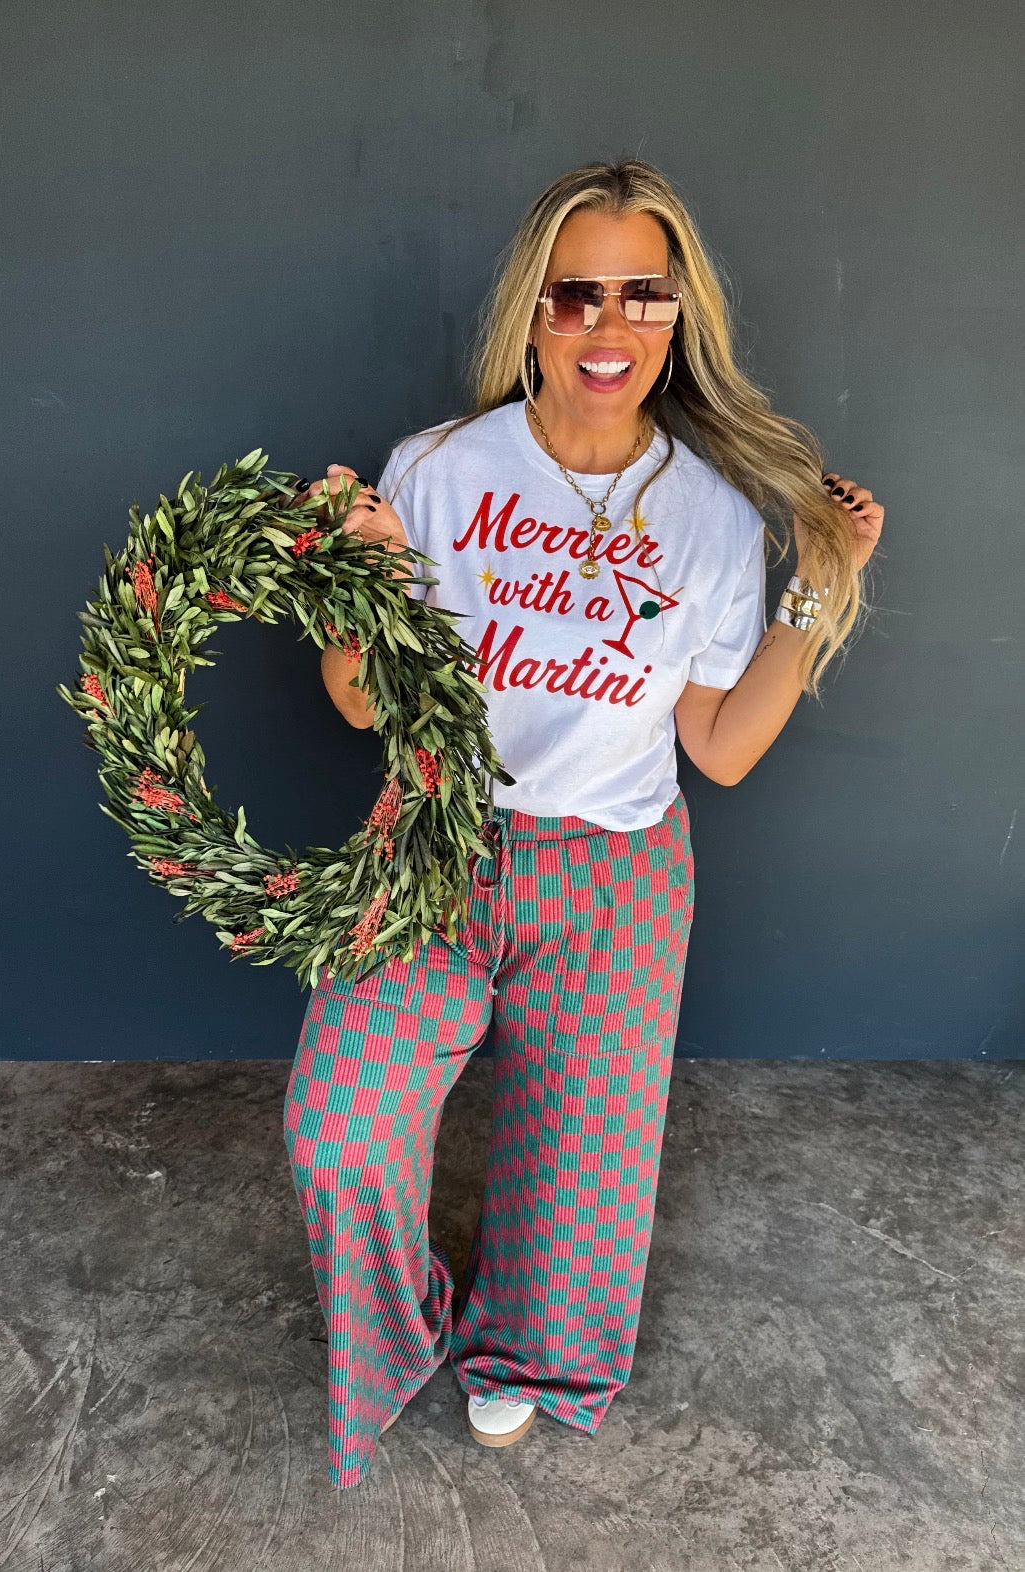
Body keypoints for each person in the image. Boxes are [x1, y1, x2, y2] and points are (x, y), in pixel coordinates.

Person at [283, 158, 884, 1491]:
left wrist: (816, 589)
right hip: (432, 844)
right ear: (533, 311)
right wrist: (358, 580)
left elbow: (720, 748)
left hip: (617, 872)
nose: (608, 328)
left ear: (678, 316)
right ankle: (402, 1330)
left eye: (641, 296)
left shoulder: (712, 513)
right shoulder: (439, 472)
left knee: (579, 1179)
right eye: (576, 294)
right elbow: (359, 700)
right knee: (339, 1129)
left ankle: (530, 1354)